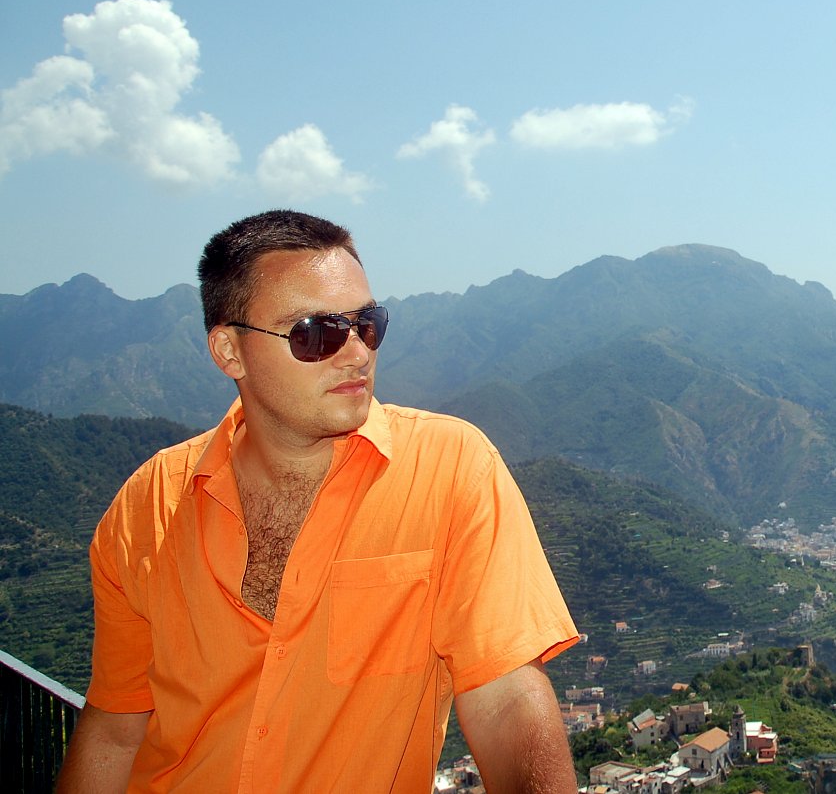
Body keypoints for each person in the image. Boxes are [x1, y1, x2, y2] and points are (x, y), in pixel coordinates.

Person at [57, 210, 580, 792]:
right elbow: (116, 728)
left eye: (368, 325)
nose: (356, 354)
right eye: (315, 333)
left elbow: (507, 697)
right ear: (229, 352)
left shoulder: (451, 469)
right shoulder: (147, 504)